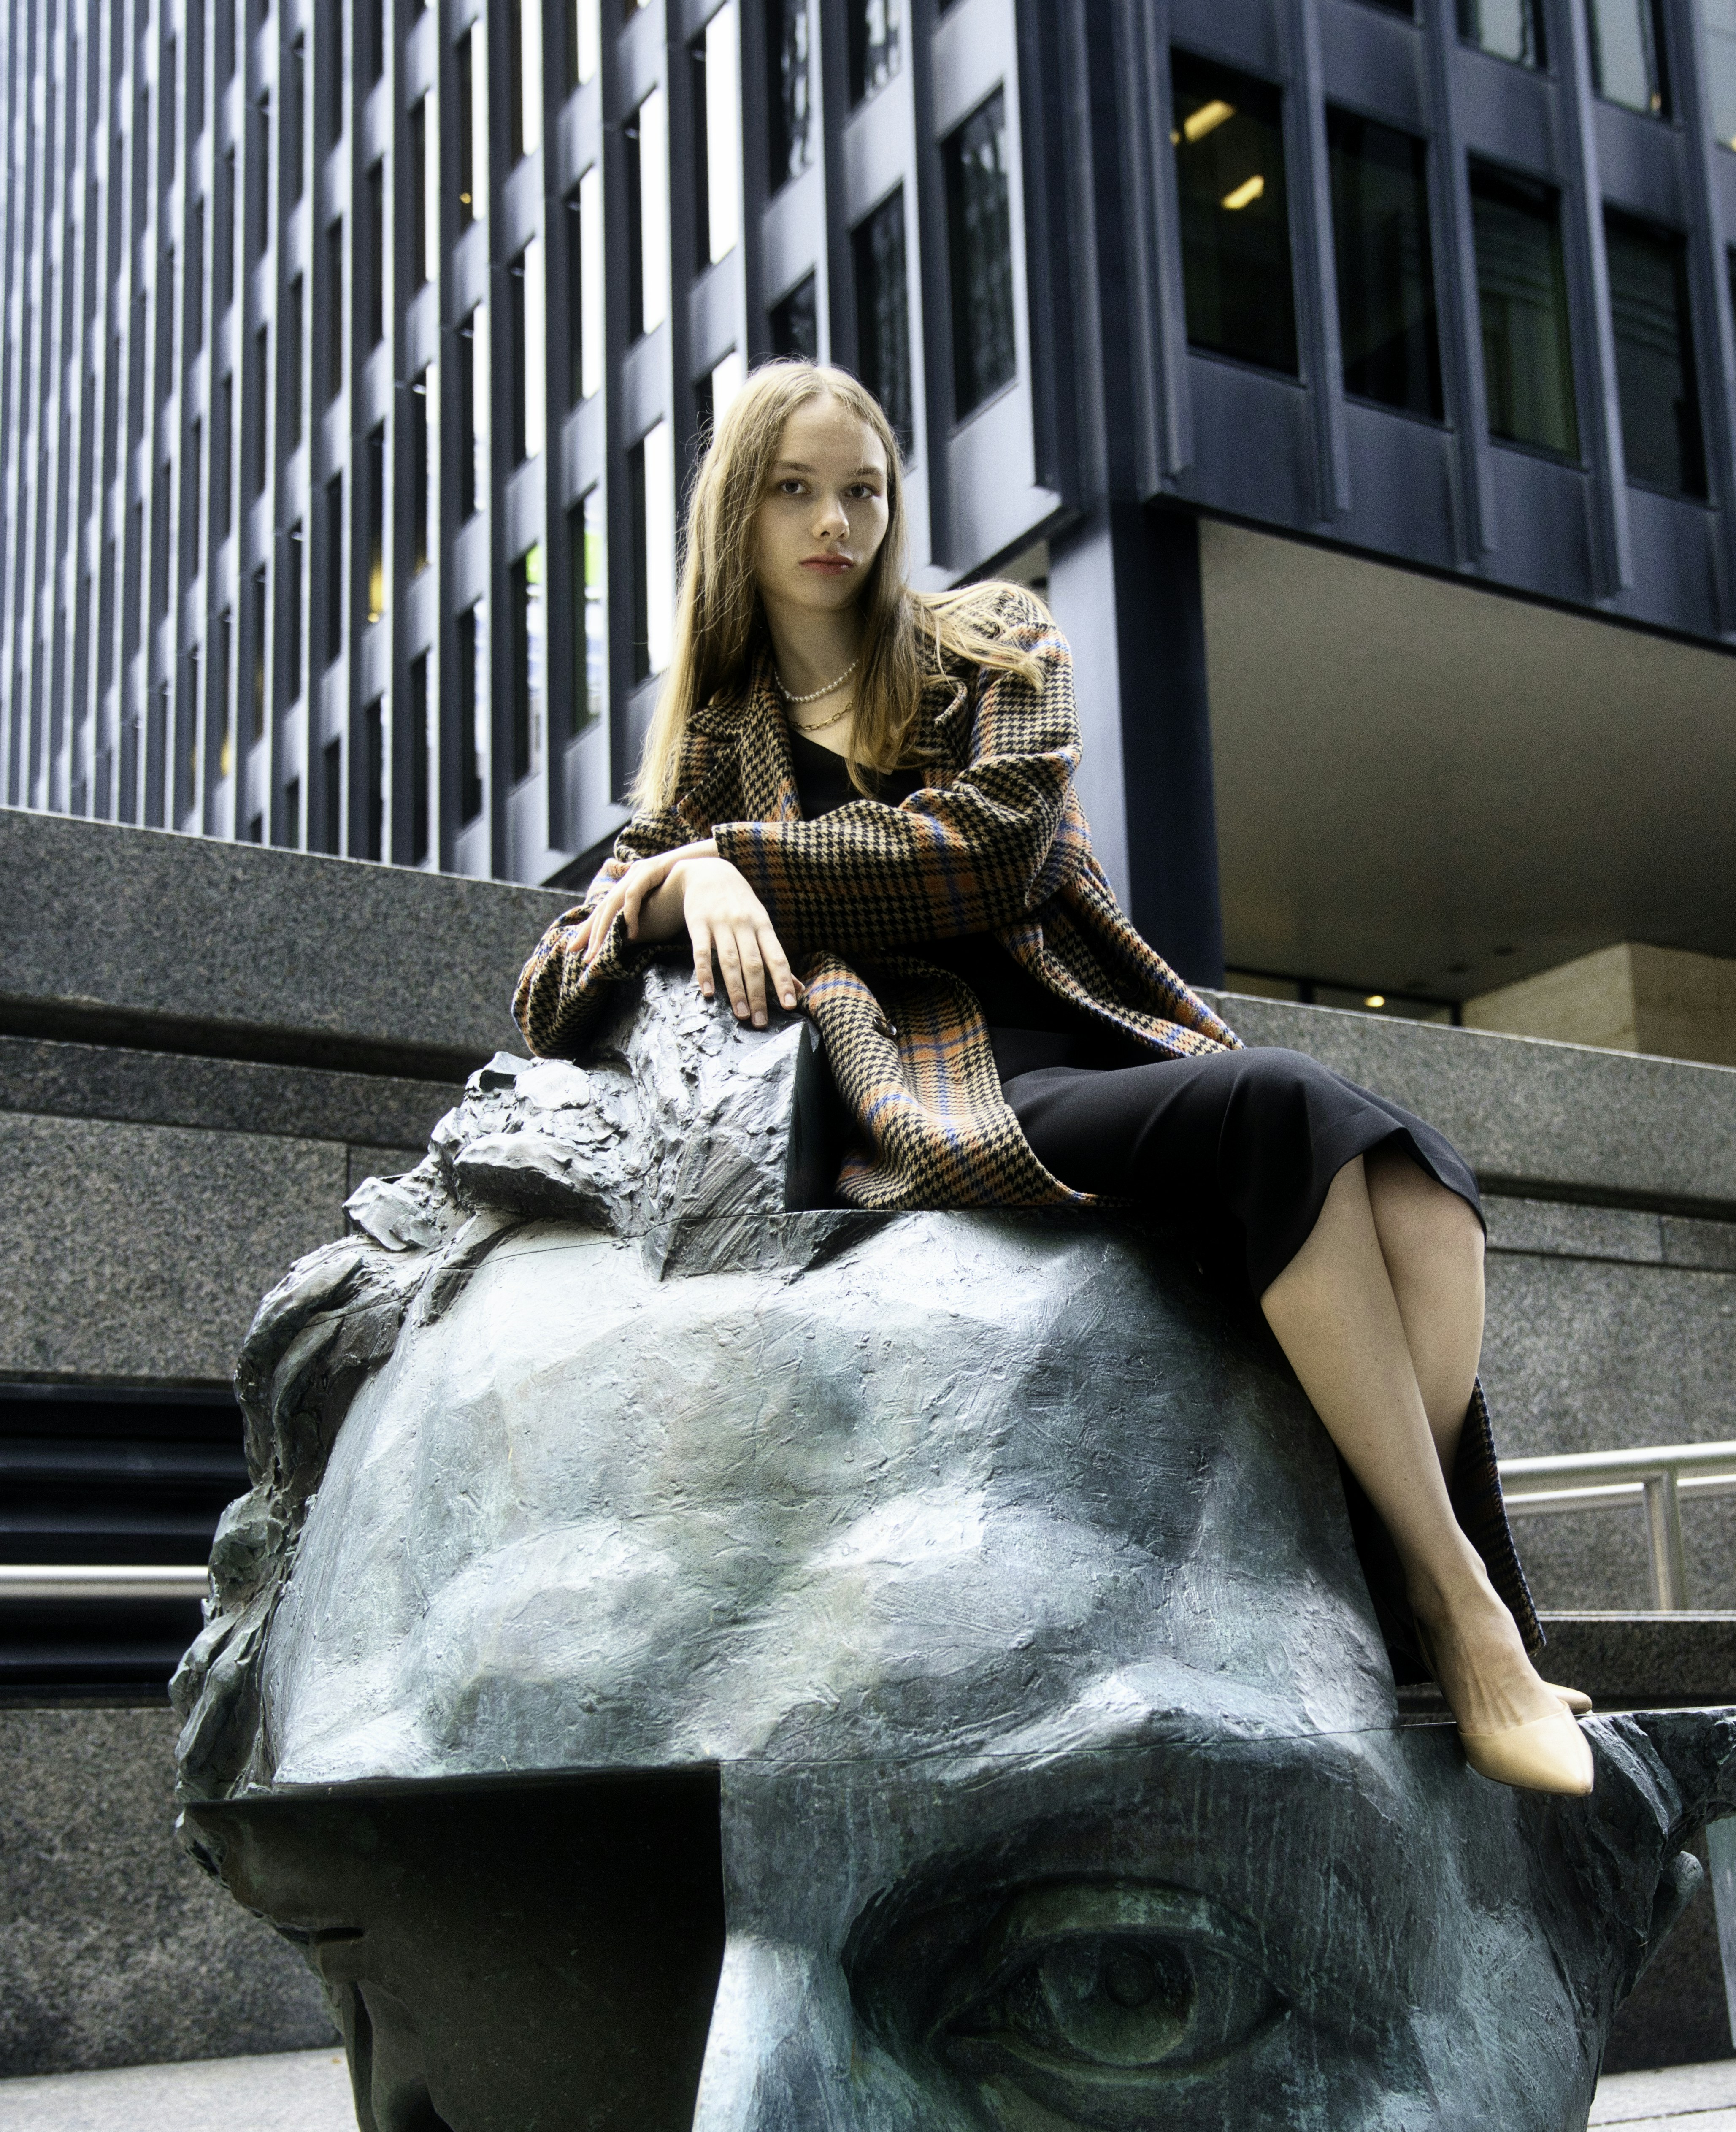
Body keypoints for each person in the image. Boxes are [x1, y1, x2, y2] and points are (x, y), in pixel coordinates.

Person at [513, 362, 1592, 1795]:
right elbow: (550, 989)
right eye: (795, 490)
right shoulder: (712, 755)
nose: (835, 520)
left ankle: (1394, 1583)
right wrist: (663, 893)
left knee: (1421, 1187)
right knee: (1282, 1112)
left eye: (863, 489)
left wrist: (736, 868)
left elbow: (991, 850)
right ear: (740, 516)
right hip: (943, 1084)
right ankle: (1461, 1617)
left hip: (1097, 1031)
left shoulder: (993, 641)